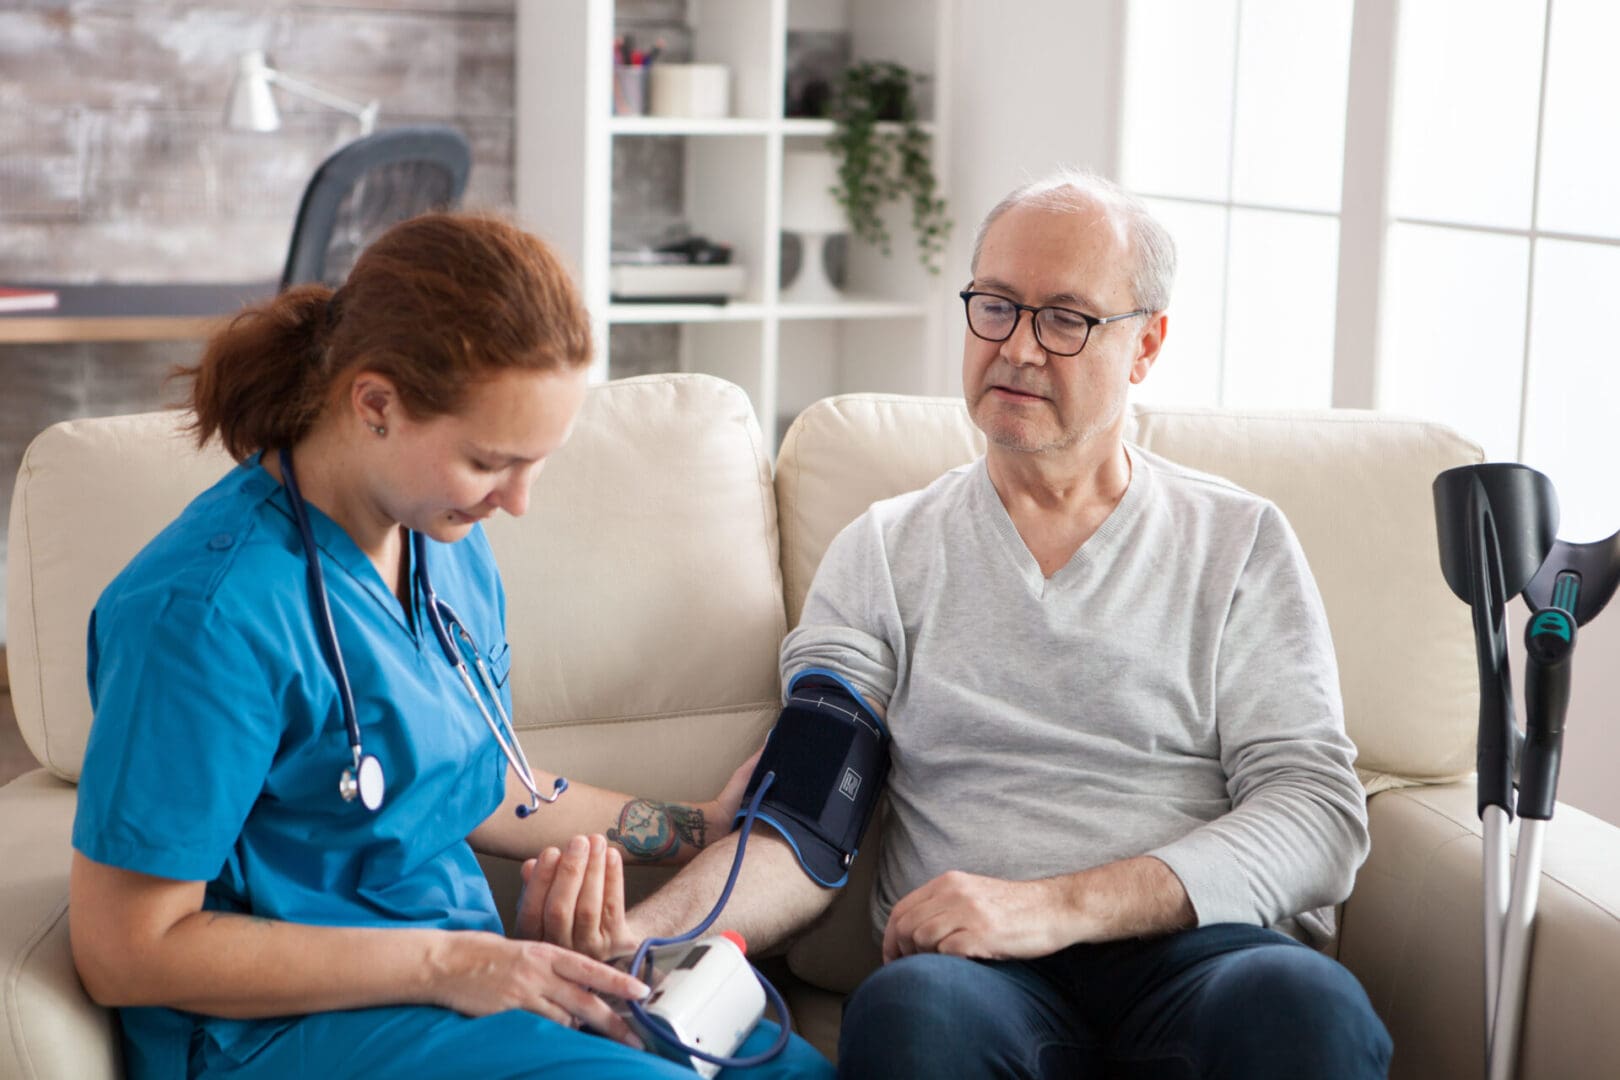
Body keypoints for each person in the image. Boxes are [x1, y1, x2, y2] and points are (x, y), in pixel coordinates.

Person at [523, 171, 1394, 1078]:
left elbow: (1317, 815)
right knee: (912, 1017)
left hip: (1204, 958)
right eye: (996, 307)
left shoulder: (1238, 542)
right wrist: (635, 942)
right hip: (976, 982)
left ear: (1146, 346)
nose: (1017, 348)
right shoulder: (887, 551)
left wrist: (1056, 906)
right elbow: (807, 817)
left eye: (1065, 319)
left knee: (1310, 1008)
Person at [67, 212, 834, 1080]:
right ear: (376, 404)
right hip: (279, 1034)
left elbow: (467, 778)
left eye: (538, 462)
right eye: (490, 461)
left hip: (463, 990)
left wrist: (700, 827)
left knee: (787, 1071)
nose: (518, 501)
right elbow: (125, 949)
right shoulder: (202, 617)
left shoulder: (438, 543)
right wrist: (460, 965)